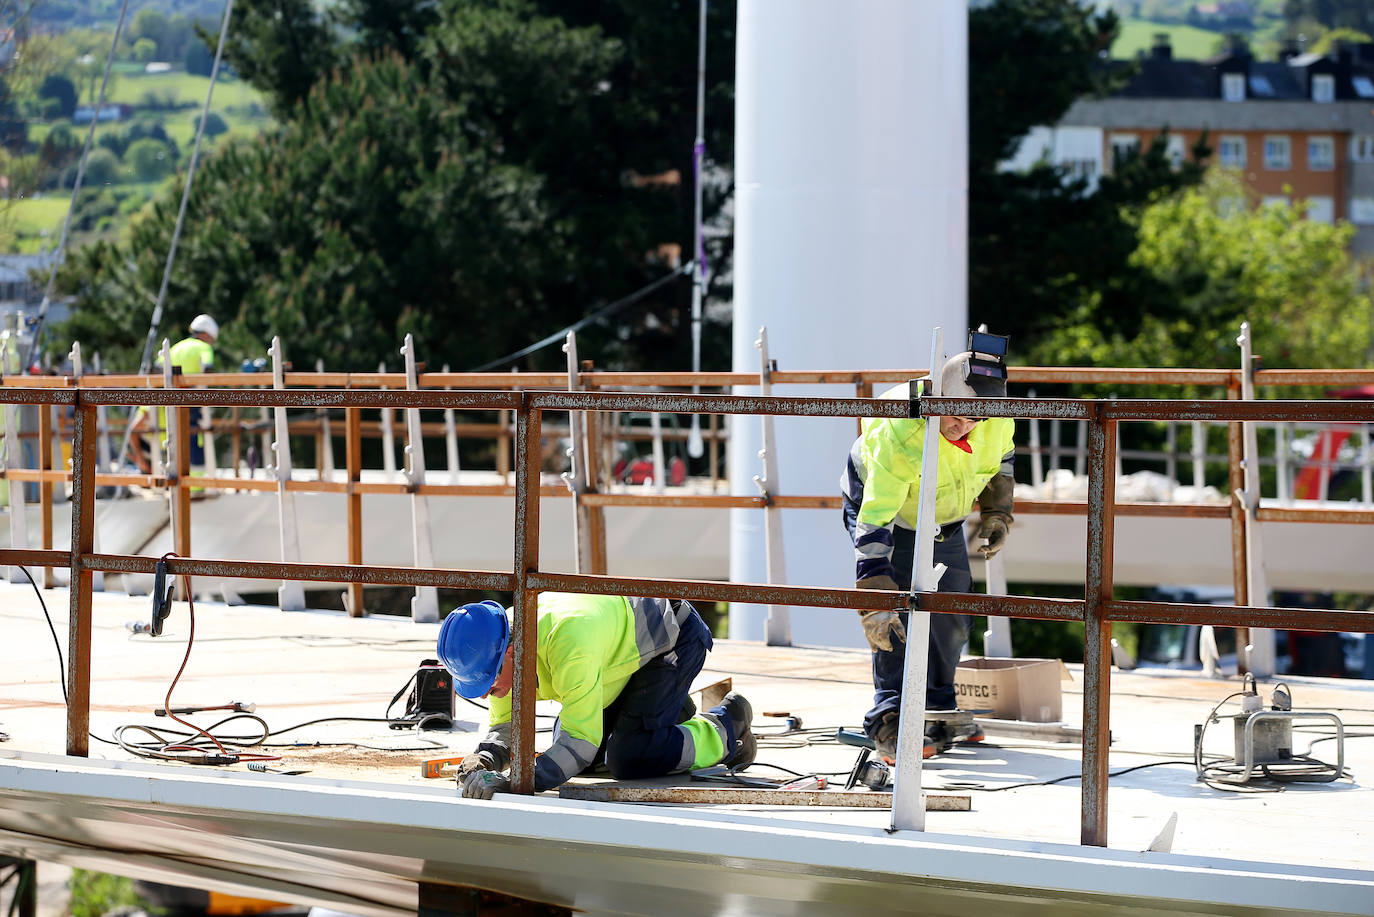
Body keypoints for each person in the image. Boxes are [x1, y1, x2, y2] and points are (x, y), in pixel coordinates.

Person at [841, 336, 1016, 763]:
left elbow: (1002, 462)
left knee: (952, 608)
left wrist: (996, 513)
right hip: (889, 515)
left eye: (975, 420)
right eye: (955, 418)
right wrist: (874, 590)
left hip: (943, 517)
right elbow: (874, 514)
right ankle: (889, 718)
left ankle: (936, 708)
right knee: (895, 616)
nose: (965, 428)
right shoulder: (900, 431)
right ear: (938, 397)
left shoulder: (993, 419)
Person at [437, 592, 756, 799]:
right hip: (619, 657)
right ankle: (666, 716)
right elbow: (508, 726)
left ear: (510, 652)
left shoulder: (567, 642)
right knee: (578, 762)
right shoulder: (500, 647)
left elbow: (580, 741)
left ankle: (727, 727)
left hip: (672, 639)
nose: (487, 693)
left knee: (628, 757)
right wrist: (484, 758)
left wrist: (517, 783)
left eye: (489, 683)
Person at [128, 314, 218, 473]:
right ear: (207, 335)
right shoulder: (204, 348)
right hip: (192, 402)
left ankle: (175, 481)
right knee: (194, 439)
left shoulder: (176, 347)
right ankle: (195, 485)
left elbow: (156, 369)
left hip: (169, 402)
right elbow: (207, 368)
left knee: (177, 443)